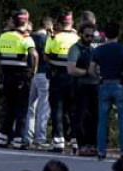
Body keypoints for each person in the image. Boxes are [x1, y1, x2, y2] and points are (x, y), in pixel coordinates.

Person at [89, 22, 123, 161]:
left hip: (104, 85)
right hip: (121, 85)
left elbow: (91, 69)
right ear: (118, 34)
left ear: (105, 35)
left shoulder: (98, 51)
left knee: (102, 120)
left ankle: (101, 151)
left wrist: (99, 78)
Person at [0, 9, 38, 149]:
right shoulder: (25, 38)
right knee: (21, 110)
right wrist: (32, 72)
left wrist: (1, 65)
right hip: (21, 78)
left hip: (7, 77)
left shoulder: (2, 36)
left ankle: (2, 139)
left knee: (9, 109)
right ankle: (18, 140)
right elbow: (34, 55)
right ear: (25, 22)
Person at [45, 11, 79, 153]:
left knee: (57, 110)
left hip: (58, 76)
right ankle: (76, 141)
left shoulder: (54, 37)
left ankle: (58, 142)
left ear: (59, 22)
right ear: (71, 23)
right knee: (74, 110)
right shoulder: (78, 37)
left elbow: (46, 55)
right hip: (74, 77)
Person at [68, 22, 99, 157]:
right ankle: (82, 144)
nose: (89, 38)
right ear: (81, 34)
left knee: (94, 117)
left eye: (92, 36)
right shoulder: (75, 49)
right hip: (81, 87)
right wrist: (87, 72)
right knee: (81, 116)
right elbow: (71, 69)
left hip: (95, 87)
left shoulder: (93, 49)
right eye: (87, 36)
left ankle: (92, 144)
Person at [23, 16, 52, 149]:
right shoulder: (47, 39)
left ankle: (27, 137)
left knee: (30, 107)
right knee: (43, 108)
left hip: (31, 75)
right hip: (44, 74)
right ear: (48, 26)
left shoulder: (29, 37)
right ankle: (40, 138)